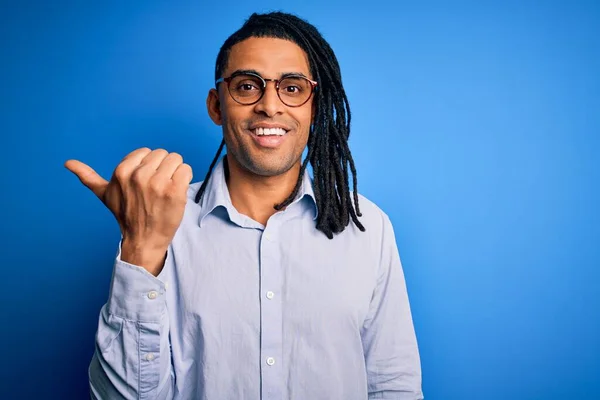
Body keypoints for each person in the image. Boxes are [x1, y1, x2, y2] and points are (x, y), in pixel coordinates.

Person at [66, 11, 423, 400]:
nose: (270, 106)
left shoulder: (368, 226)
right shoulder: (160, 221)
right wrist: (139, 250)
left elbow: (393, 386)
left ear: (314, 107)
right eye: (248, 86)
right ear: (217, 106)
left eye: (292, 87)